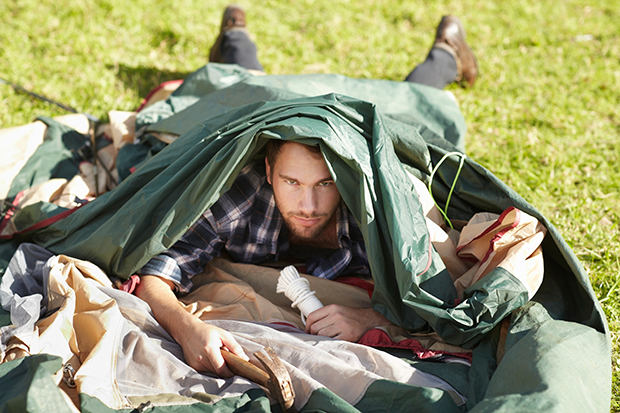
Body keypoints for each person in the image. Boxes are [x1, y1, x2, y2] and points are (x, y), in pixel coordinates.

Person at [135, 5, 478, 378]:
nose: (308, 205)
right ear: (269, 169)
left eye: (325, 184)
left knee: (415, 106)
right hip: (273, 100)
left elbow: (440, 291)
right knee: (238, 86)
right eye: (292, 183)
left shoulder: (374, 206)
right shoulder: (238, 198)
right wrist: (187, 328)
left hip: (362, 120)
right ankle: (234, 33)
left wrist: (371, 318)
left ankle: (446, 51)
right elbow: (158, 273)